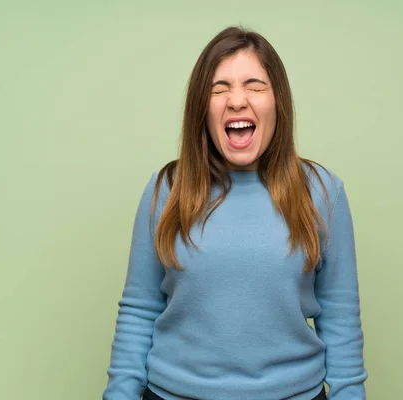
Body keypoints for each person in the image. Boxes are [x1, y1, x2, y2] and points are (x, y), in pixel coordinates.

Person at [102, 26, 368, 400]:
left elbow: (339, 316)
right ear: (202, 108)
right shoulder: (167, 189)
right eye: (219, 88)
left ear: (278, 102)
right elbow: (139, 308)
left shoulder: (323, 191)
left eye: (255, 85)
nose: (236, 101)